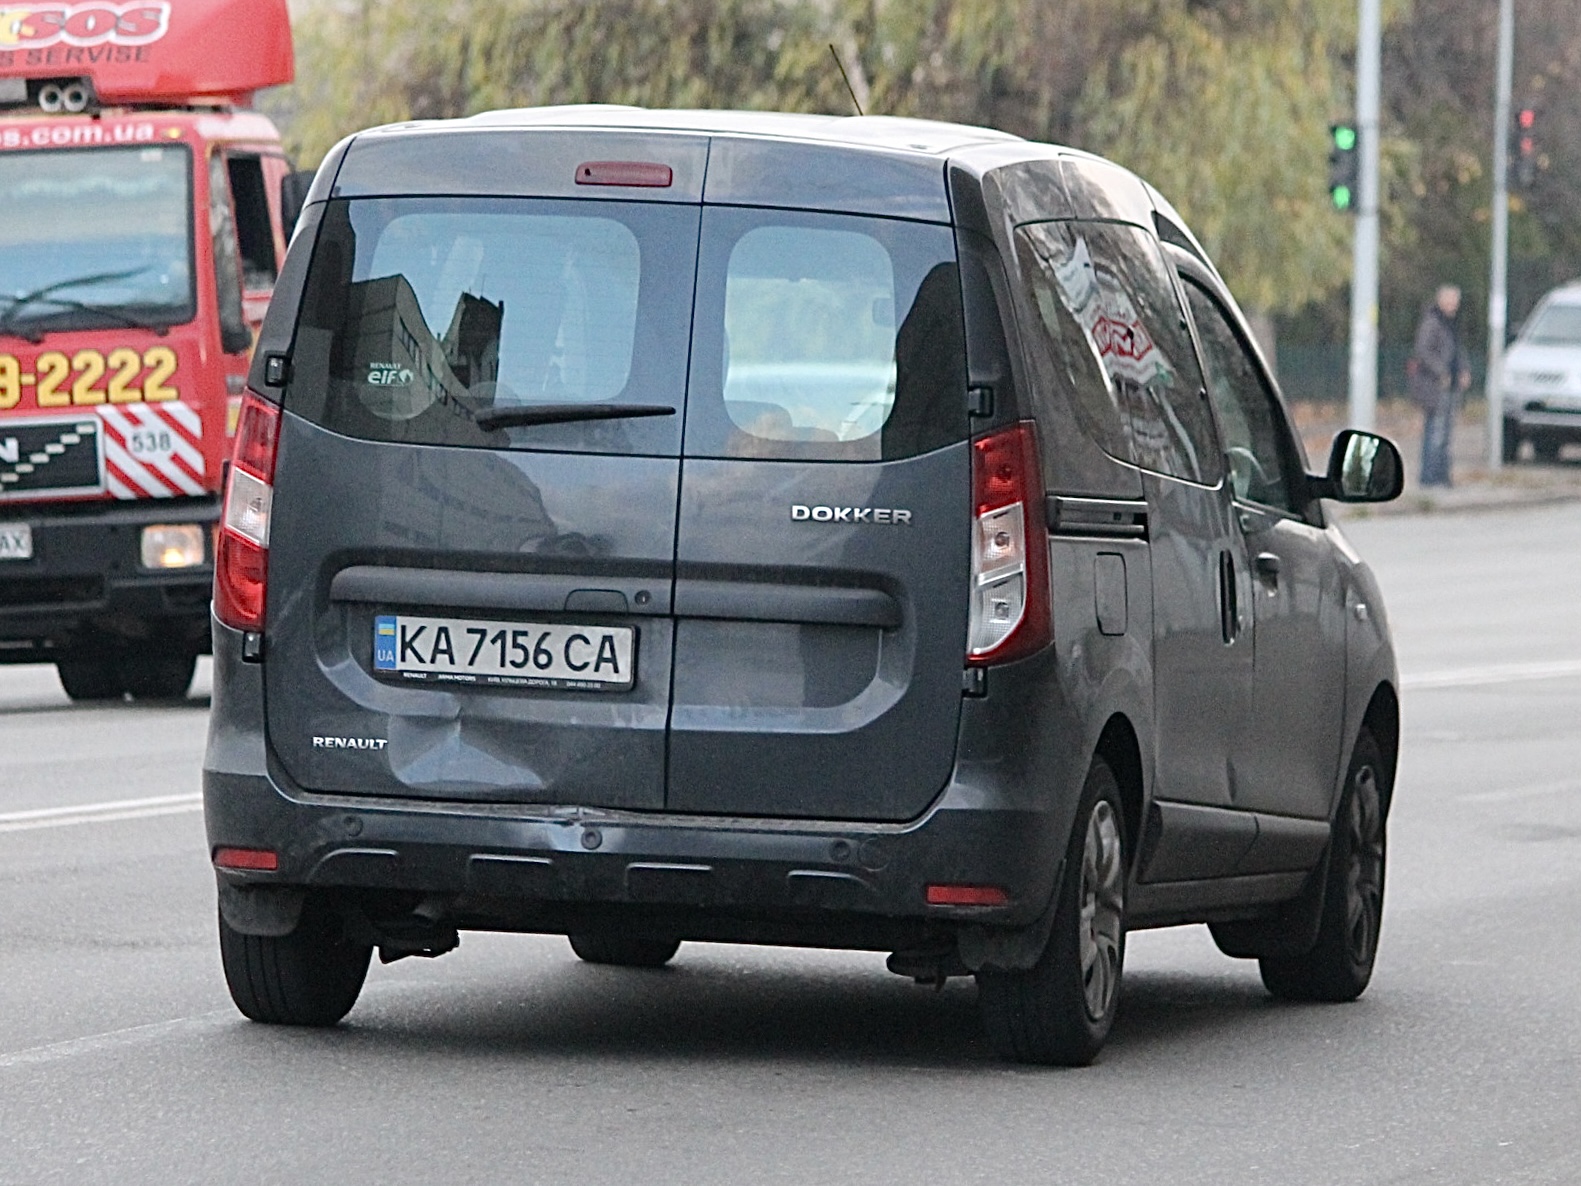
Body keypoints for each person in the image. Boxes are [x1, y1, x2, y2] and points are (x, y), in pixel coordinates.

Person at [1408, 284, 1474, 487]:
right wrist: (1441, 372)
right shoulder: (1432, 322)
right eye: (1451, 300)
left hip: (1450, 386)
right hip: (1435, 387)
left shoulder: (1450, 323)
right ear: (1441, 300)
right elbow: (1423, 351)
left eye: (1456, 301)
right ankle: (1429, 477)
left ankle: (1443, 476)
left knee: (1445, 433)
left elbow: (1457, 350)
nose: (1454, 305)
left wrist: (1463, 370)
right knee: (1435, 432)